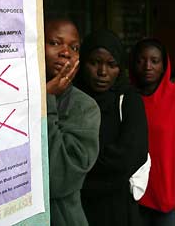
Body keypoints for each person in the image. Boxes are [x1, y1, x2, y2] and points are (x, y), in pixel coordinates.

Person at [74, 29, 149, 226]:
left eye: (111, 64)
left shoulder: (129, 100)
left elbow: (132, 154)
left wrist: (82, 172)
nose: (102, 72)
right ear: (82, 62)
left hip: (117, 207)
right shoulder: (70, 99)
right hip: (77, 206)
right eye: (94, 63)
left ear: (120, 67)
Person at [45, 18, 100, 226]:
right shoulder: (18, 98)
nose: (65, 52)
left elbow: (59, 179)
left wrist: (47, 100)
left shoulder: (85, 107)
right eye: (55, 43)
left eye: (74, 47)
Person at [129, 38, 175, 226]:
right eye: (142, 60)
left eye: (154, 61)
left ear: (164, 66)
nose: (148, 66)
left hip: (168, 195)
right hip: (133, 195)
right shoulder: (125, 98)